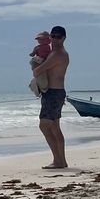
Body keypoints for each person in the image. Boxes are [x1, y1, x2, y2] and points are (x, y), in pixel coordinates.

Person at [36, 25, 70, 169]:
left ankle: (58, 160)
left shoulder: (58, 54)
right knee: (55, 127)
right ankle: (61, 161)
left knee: (44, 125)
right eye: (52, 36)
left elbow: (38, 70)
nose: (55, 39)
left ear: (63, 38)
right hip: (53, 92)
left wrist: (36, 63)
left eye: (58, 37)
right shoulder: (52, 53)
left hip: (54, 93)